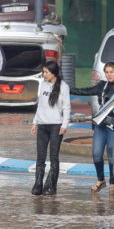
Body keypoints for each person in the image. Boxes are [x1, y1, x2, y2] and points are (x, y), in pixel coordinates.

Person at [71, 62, 114, 193]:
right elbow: (86, 91)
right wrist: (68, 89)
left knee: (111, 155)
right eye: (107, 72)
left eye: (111, 72)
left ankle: (113, 182)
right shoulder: (102, 86)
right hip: (101, 124)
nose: (109, 75)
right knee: (97, 154)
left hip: (113, 125)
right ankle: (101, 180)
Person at [31, 61, 71, 196]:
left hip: (56, 126)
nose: (44, 74)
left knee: (53, 156)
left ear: (53, 73)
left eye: (46, 72)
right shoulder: (43, 85)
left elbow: (66, 108)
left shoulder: (64, 87)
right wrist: (35, 122)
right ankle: (38, 184)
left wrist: (64, 125)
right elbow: (40, 105)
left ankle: (51, 185)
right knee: (40, 156)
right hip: (42, 124)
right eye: (43, 72)